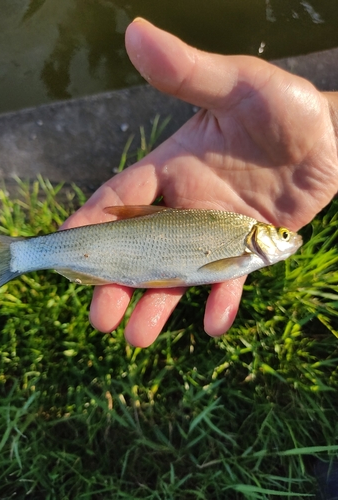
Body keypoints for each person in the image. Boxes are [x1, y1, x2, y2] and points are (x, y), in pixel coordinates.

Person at [61, 18, 338, 348]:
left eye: (282, 235)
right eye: (281, 234)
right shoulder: (245, 233)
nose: (291, 239)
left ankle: (30, 255)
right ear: (261, 235)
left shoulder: (245, 240)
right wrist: (330, 129)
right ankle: (25, 255)